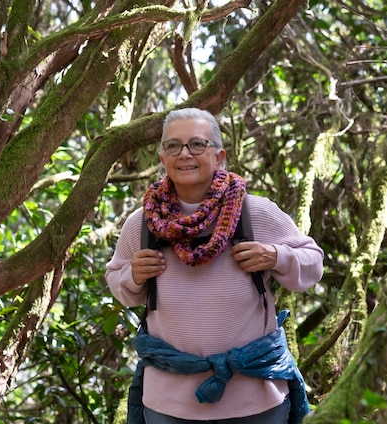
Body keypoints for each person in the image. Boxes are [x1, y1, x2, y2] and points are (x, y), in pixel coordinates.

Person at [105, 108, 324, 424]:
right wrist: (134, 275)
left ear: (219, 156)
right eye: (173, 146)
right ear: (162, 159)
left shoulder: (255, 212)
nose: (184, 154)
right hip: (168, 403)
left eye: (197, 144)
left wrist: (276, 256)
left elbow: (313, 263)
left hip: (255, 398)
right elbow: (119, 283)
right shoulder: (142, 224)